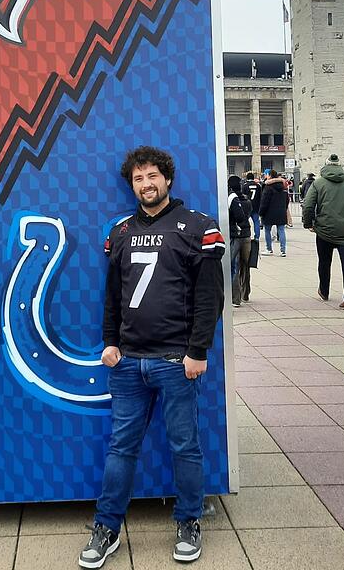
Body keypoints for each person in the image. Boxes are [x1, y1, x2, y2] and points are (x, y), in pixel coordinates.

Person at [79, 146, 224, 568]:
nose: (146, 184)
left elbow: (209, 295)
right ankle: (107, 527)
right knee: (121, 447)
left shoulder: (197, 226)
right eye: (138, 178)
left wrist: (198, 351)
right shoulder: (121, 232)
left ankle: (189, 520)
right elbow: (113, 295)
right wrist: (110, 342)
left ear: (168, 179)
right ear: (132, 185)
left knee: (185, 446)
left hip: (176, 361)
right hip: (127, 363)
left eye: (152, 176)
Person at [302, 153, 344, 311]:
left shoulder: (318, 183)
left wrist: (308, 223)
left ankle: (324, 290)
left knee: (324, 262)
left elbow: (308, 205)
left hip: (324, 229)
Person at [228, 175, 253, 307]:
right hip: (247, 234)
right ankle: (246, 293)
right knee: (246, 266)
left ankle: (235, 298)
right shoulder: (247, 201)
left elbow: (237, 217)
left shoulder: (230, 199)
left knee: (235, 267)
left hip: (236, 235)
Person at [259, 170, 289, 256]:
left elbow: (264, 201)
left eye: (266, 174)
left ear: (269, 175)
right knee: (281, 230)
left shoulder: (268, 187)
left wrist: (261, 212)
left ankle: (269, 249)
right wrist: (284, 208)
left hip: (269, 212)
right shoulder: (283, 187)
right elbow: (287, 200)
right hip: (281, 212)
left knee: (267, 230)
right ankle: (283, 251)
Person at [241, 172, 262, 239]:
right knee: (256, 222)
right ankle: (257, 236)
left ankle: (247, 235)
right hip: (256, 206)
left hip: (247, 206)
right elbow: (260, 197)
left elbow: (243, 196)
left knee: (245, 221)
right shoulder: (258, 186)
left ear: (247, 178)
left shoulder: (245, 186)